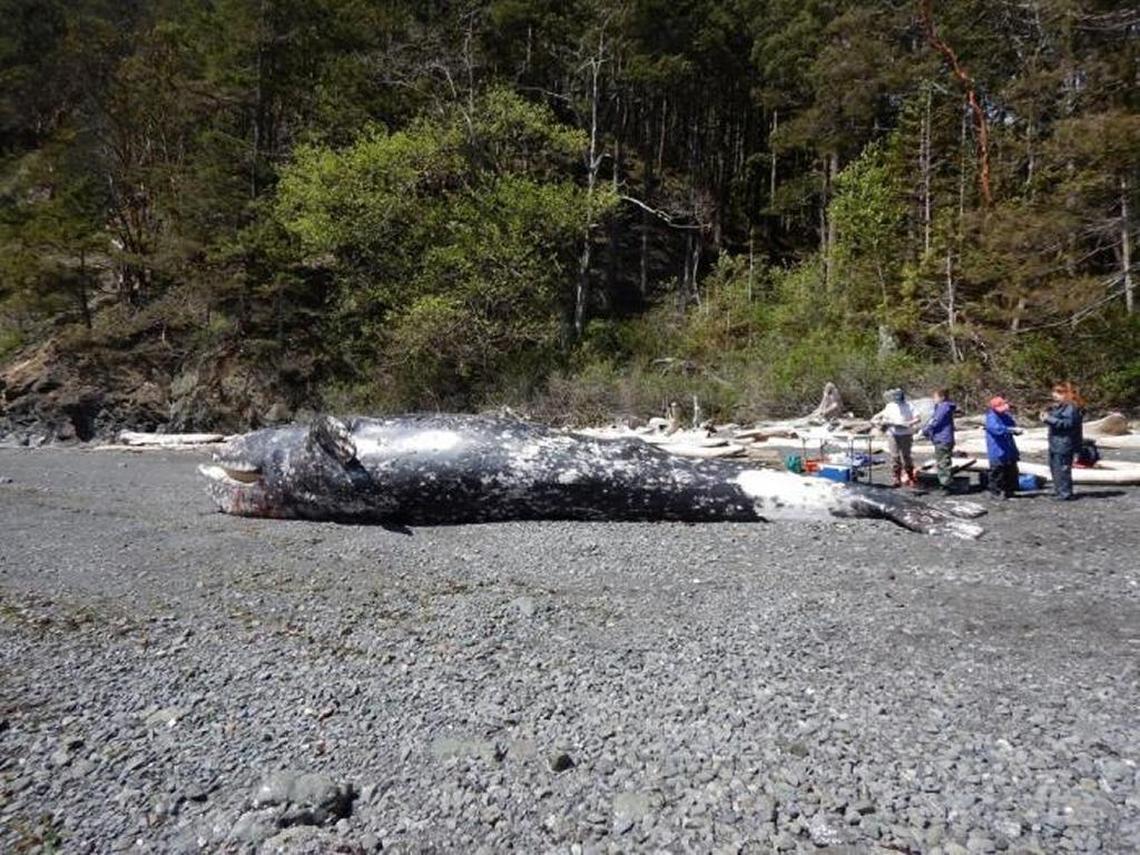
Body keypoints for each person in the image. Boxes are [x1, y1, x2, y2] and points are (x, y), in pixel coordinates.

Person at [1039, 381, 1084, 501]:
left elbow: (1068, 424)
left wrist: (1049, 419)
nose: (1055, 395)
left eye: (1059, 392)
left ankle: (1065, 493)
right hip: (1055, 442)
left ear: (1067, 394)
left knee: (1062, 469)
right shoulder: (1060, 407)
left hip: (1064, 443)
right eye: (1054, 392)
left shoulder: (1071, 407)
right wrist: (1047, 416)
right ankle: (1059, 491)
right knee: (1055, 468)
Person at [874, 388, 920, 487]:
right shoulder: (890, 406)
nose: (897, 398)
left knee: (906, 456)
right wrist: (884, 423)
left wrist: (909, 423)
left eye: (898, 396)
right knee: (895, 457)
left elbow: (917, 418)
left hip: (906, 433)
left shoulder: (909, 406)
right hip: (893, 433)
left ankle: (910, 476)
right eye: (895, 396)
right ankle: (896, 477)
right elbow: (883, 418)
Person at [984, 396, 1022, 499]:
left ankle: (1010, 491)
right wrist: (1010, 430)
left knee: (1011, 470)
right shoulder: (991, 417)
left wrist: (1015, 430)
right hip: (997, 448)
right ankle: (995, 492)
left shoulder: (1005, 415)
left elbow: (1012, 424)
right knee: (997, 471)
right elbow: (996, 429)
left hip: (1008, 447)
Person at [921, 387, 957, 492]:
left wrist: (925, 430)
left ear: (942, 397)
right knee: (942, 461)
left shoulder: (943, 408)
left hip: (943, 438)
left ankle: (946, 485)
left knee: (943, 462)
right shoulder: (942, 407)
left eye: (935, 397)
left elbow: (936, 421)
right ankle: (945, 483)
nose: (934, 399)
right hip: (942, 438)